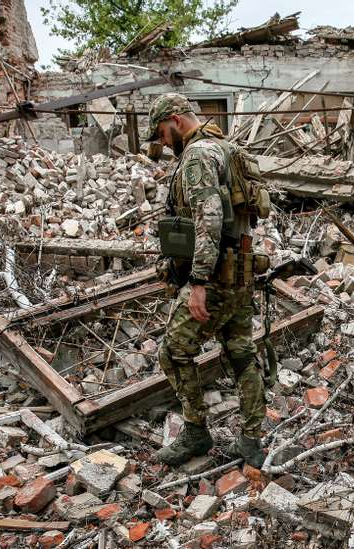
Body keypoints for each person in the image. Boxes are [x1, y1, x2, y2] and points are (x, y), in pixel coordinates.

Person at [145, 93, 266, 468]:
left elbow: (209, 218)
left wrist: (198, 282)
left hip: (214, 279)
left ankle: (196, 432)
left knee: (173, 351)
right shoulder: (225, 149)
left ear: (177, 121)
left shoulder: (198, 156)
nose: (163, 144)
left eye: (163, 134)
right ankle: (251, 443)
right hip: (239, 273)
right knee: (241, 355)